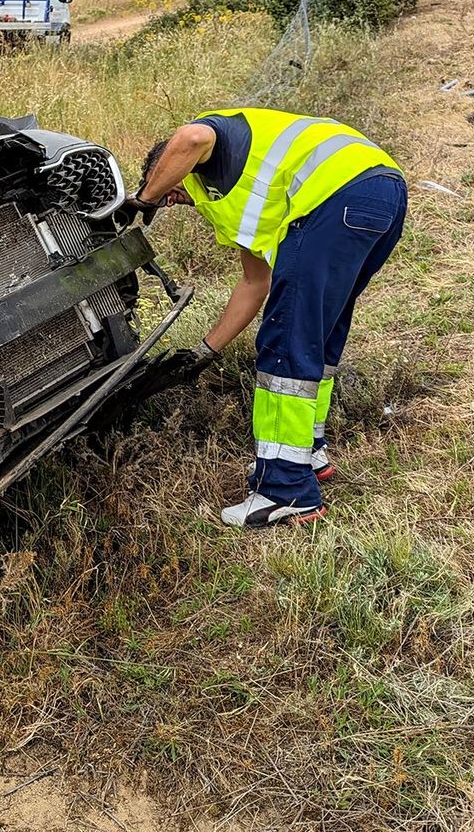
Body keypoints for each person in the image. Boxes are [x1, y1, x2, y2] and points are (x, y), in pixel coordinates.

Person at [122, 108, 407, 529]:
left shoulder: (212, 145)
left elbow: (190, 138)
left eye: (169, 189)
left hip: (337, 196)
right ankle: (308, 452)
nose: (171, 200)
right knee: (319, 334)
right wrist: (205, 350)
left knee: (286, 342)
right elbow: (254, 284)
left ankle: (284, 489)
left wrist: (142, 198)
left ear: (170, 167)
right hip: (382, 195)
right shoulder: (238, 199)